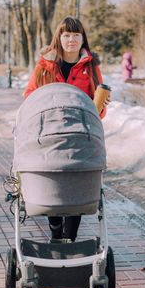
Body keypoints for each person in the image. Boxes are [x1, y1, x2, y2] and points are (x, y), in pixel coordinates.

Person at [23, 16, 110, 242]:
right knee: (51, 180)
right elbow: (30, 97)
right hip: (49, 132)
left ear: (83, 39)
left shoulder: (90, 67)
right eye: (67, 35)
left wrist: (99, 107)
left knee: (76, 185)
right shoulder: (45, 64)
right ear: (59, 38)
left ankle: (69, 239)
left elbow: (97, 109)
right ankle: (55, 235)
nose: (71, 40)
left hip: (80, 133)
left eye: (76, 35)